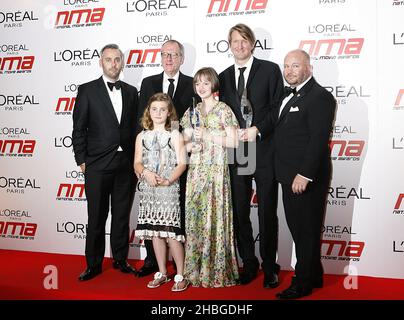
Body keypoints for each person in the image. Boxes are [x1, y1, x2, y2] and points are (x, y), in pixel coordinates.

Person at [245, 49, 336, 299]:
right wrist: (253, 130)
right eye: (286, 66)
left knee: (305, 230)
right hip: (286, 175)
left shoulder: (320, 97)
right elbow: (272, 119)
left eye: (295, 66)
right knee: (300, 228)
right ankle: (314, 275)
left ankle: (302, 282)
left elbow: (318, 141)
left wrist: (304, 175)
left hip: (304, 178)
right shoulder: (287, 95)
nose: (289, 71)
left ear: (309, 68)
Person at [218, 23, 284, 287]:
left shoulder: (270, 70)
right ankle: (248, 263)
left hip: (263, 148)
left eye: (244, 40)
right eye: (235, 41)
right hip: (238, 153)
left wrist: (257, 129)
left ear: (253, 43)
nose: (240, 45)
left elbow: (277, 105)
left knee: (267, 210)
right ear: (230, 45)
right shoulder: (222, 77)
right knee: (240, 210)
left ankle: (270, 266)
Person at [72, 44, 138, 281]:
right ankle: (93, 264)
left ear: (122, 62)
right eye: (108, 59)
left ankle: (120, 260)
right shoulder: (87, 90)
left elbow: (135, 129)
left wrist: (136, 160)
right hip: (97, 164)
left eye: (117, 59)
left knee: (121, 215)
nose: (113, 64)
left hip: (125, 164)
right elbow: (78, 128)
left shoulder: (132, 92)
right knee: (96, 217)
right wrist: (81, 160)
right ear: (101, 62)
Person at [136, 39, 197, 278]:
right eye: (165, 55)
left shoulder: (193, 85)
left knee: (176, 217)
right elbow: (140, 122)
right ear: (160, 58)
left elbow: (193, 122)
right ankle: (154, 263)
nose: (169, 59)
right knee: (152, 219)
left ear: (182, 58)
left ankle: (182, 268)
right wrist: (140, 166)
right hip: (150, 161)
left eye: (174, 55)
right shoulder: (148, 82)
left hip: (177, 161)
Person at [181, 67, 239, 288]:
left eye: (205, 83)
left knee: (214, 217)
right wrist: (190, 144)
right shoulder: (191, 112)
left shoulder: (224, 109)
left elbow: (234, 142)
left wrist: (208, 135)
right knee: (196, 218)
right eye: (197, 84)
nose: (201, 87)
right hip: (196, 172)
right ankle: (195, 271)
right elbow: (184, 142)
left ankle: (215, 271)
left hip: (215, 172)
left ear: (213, 85)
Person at [134, 93, 188, 292]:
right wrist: (146, 173)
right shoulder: (142, 136)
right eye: (154, 109)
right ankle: (163, 272)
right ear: (149, 111)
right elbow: (137, 163)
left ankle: (181, 274)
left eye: (162, 109)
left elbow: (183, 163)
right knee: (155, 232)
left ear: (169, 112)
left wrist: (168, 180)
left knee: (171, 233)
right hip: (149, 189)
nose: (158, 113)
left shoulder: (175, 134)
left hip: (168, 188)